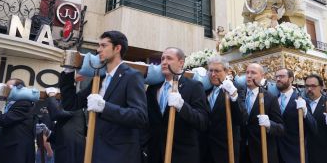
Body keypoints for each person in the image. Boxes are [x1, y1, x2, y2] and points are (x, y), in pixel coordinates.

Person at [60, 30, 148, 163]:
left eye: (103, 45)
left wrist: (104, 107)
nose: (98, 49)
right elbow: (71, 104)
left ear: (117, 48)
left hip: (119, 155)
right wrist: (68, 72)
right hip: (96, 151)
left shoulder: (132, 76)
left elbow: (139, 116)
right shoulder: (99, 79)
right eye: (98, 45)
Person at [145, 47, 209, 163]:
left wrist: (182, 106)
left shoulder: (194, 87)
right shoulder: (152, 89)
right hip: (155, 155)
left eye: (169, 58)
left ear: (181, 63)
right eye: (162, 59)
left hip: (182, 156)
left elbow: (203, 122)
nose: (164, 62)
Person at [202, 56, 247, 163]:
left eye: (217, 71)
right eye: (210, 70)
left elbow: (242, 118)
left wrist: (233, 96)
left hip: (226, 148)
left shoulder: (236, 87)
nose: (213, 74)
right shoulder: (204, 89)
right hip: (204, 148)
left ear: (227, 71)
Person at [240, 63, 284, 163]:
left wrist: (269, 124)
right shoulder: (238, 94)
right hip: (240, 151)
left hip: (261, 152)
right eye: (247, 72)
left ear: (262, 76)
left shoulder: (270, 98)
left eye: (253, 73)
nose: (249, 76)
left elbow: (281, 128)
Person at [0, 78, 36, 163]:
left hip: (16, 154)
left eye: (8, 87)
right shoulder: (11, 104)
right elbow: (7, 132)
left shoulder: (24, 103)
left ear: (18, 89)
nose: (5, 89)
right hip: (9, 152)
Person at [275, 68, 316, 163]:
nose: (278, 79)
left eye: (281, 76)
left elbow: (313, 127)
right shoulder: (274, 99)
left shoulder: (302, 100)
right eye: (276, 76)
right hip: (276, 153)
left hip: (295, 153)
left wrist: (305, 112)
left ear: (291, 79)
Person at [45, 87, 86, 163]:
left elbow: (56, 113)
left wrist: (51, 96)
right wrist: (48, 132)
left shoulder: (74, 105)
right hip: (66, 150)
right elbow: (62, 133)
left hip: (71, 151)